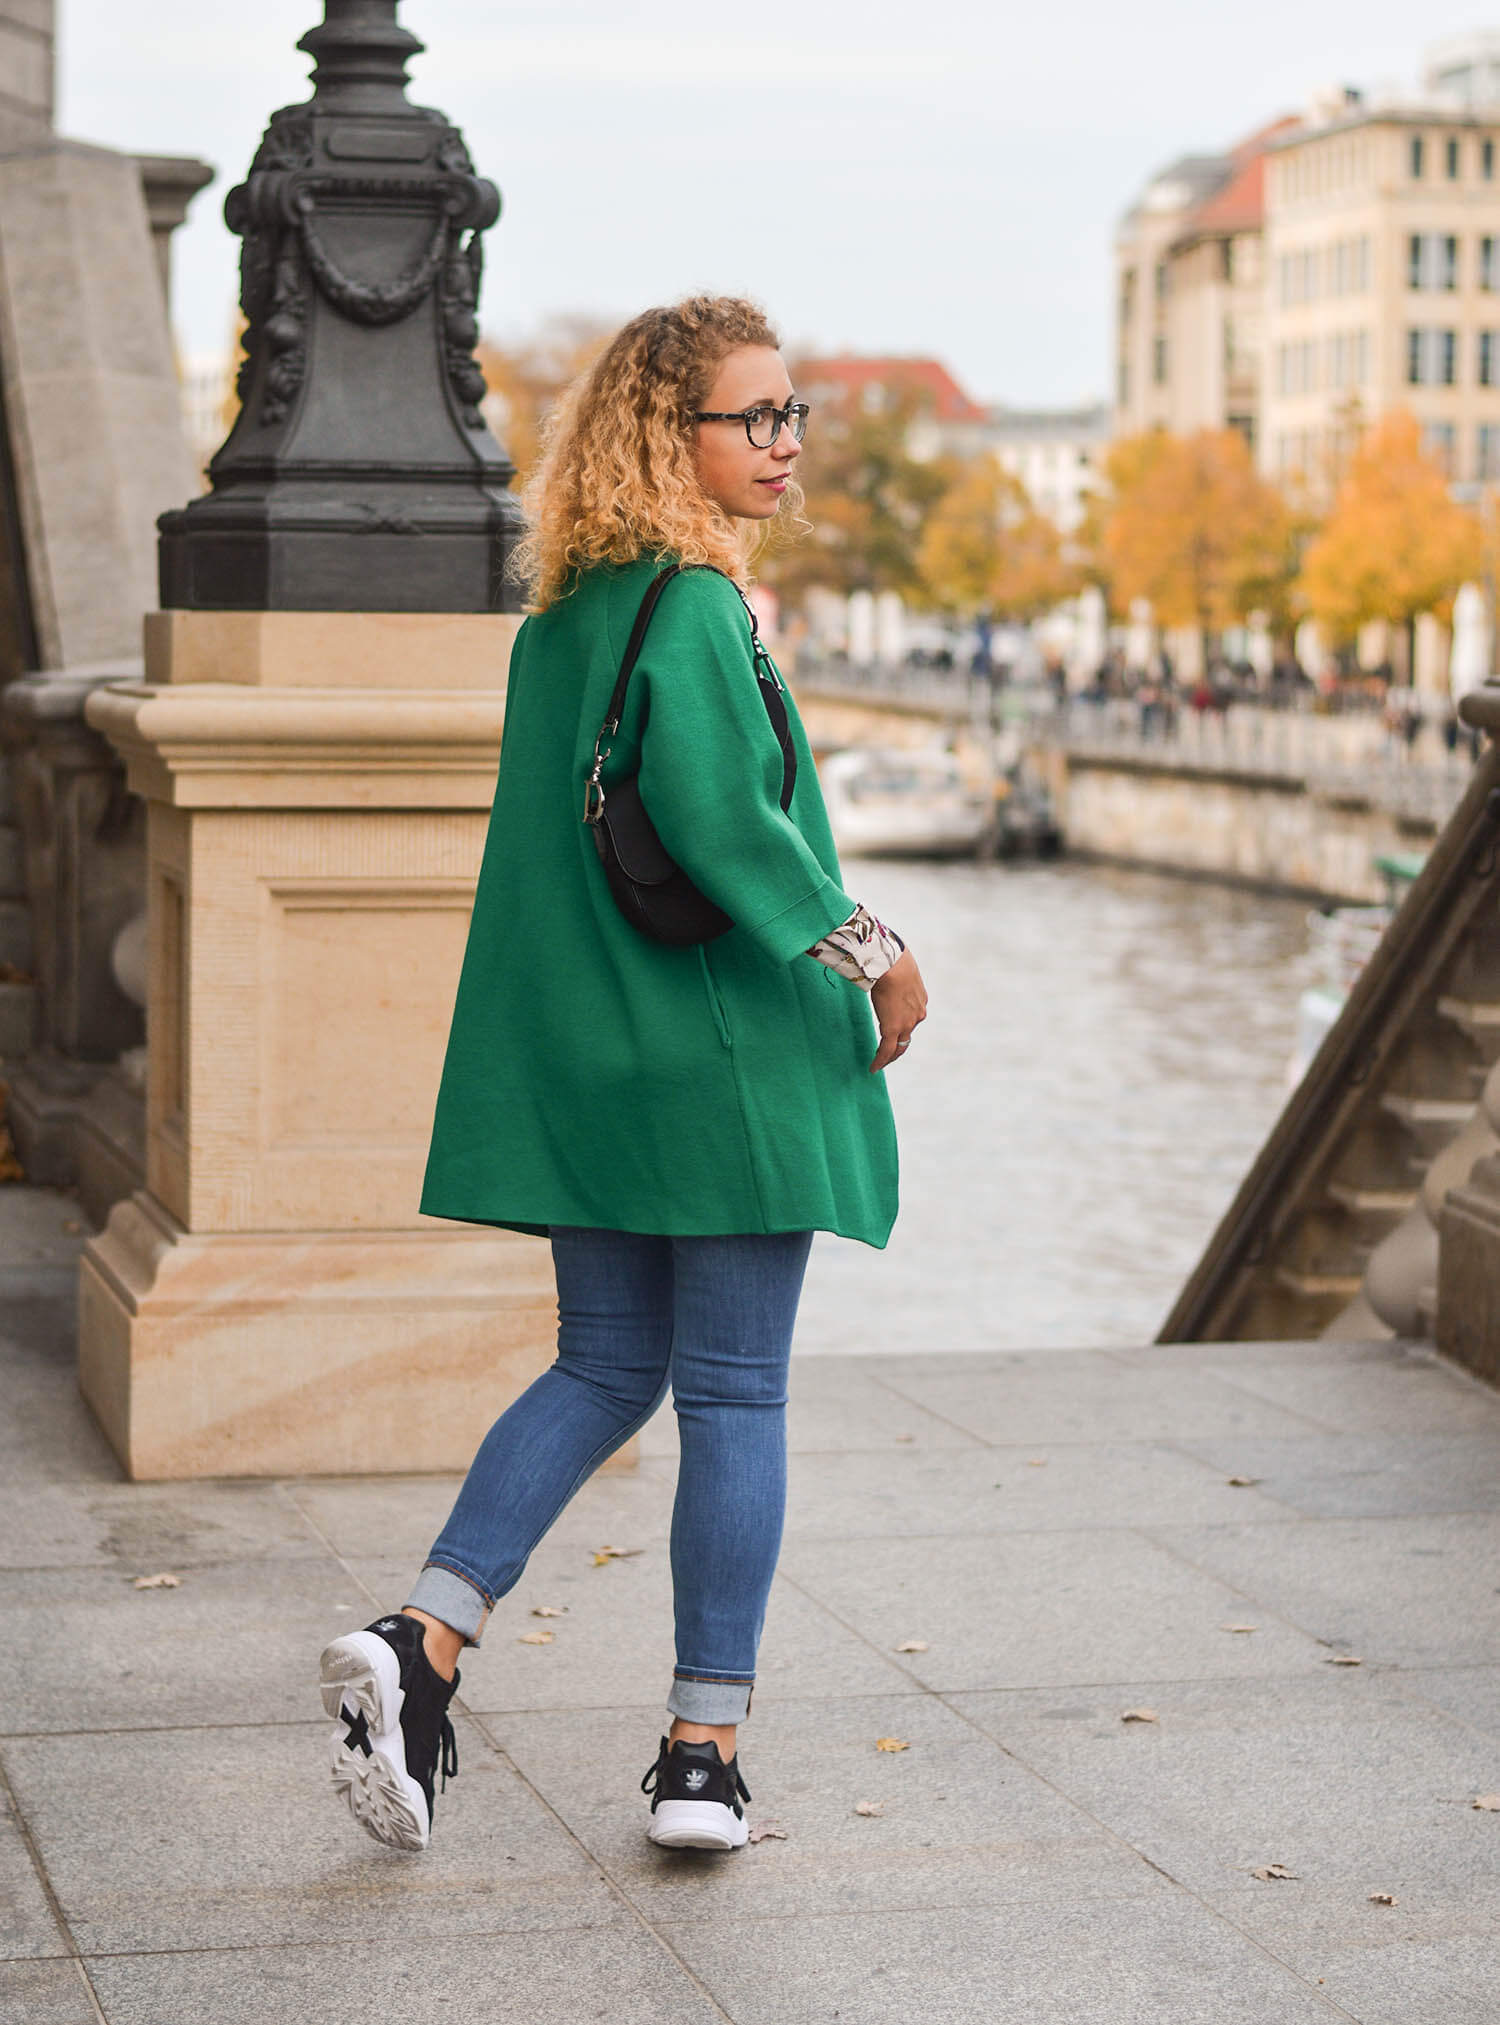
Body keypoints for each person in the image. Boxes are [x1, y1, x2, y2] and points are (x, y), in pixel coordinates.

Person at [317, 297, 927, 1855]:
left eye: (796, 414)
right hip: (708, 1059)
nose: (785, 443)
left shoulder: (562, 620)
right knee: (731, 1390)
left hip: (591, 1059)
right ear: (676, 435)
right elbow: (727, 828)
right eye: (757, 418)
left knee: (603, 1366)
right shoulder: (701, 610)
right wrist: (869, 948)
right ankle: (702, 1754)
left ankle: (423, 1638)